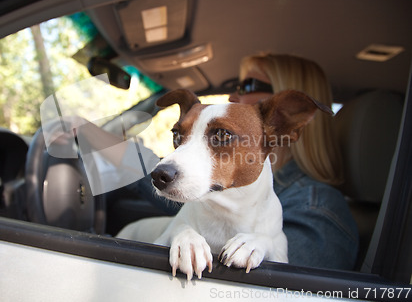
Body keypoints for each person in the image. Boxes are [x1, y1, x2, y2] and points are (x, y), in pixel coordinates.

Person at [133, 52, 358, 270]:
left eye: (247, 87)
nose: (232, 96)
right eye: (179, 137)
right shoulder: (224, 192)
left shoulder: (316, 207)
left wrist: (265, 247)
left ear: (283, 118)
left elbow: (282, 289)